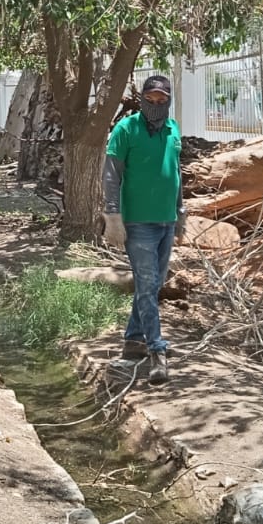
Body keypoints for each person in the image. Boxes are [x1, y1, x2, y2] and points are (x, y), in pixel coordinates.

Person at [101, 74, 186, 386]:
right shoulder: (126, 129)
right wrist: (112, 216)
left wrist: (181, 212)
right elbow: (111, 174)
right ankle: (156, 349)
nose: (155, 104)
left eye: (161, 99)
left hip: (166, 220)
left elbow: (175, 173)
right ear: (141, 99)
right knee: (148, 285)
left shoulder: (173, 129)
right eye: (149, 99)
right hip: (138, 223)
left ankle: (133, 339)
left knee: (154, 284)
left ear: (168, 100)